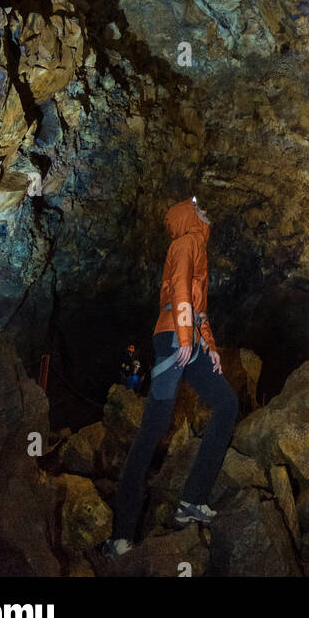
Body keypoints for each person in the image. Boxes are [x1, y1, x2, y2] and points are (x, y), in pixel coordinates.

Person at [101, 193, 239, 558]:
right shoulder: (185, 242)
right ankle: (121, 535)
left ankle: (192, 499)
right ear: (187, 215)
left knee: (226, 404)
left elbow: (201, 309)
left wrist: (209, 347)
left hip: (187, 338)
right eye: (198, 204)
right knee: (153, 428)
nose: (204, 206)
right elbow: (179, 288)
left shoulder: (198, 246)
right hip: (172, 338)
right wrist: (183, 337)